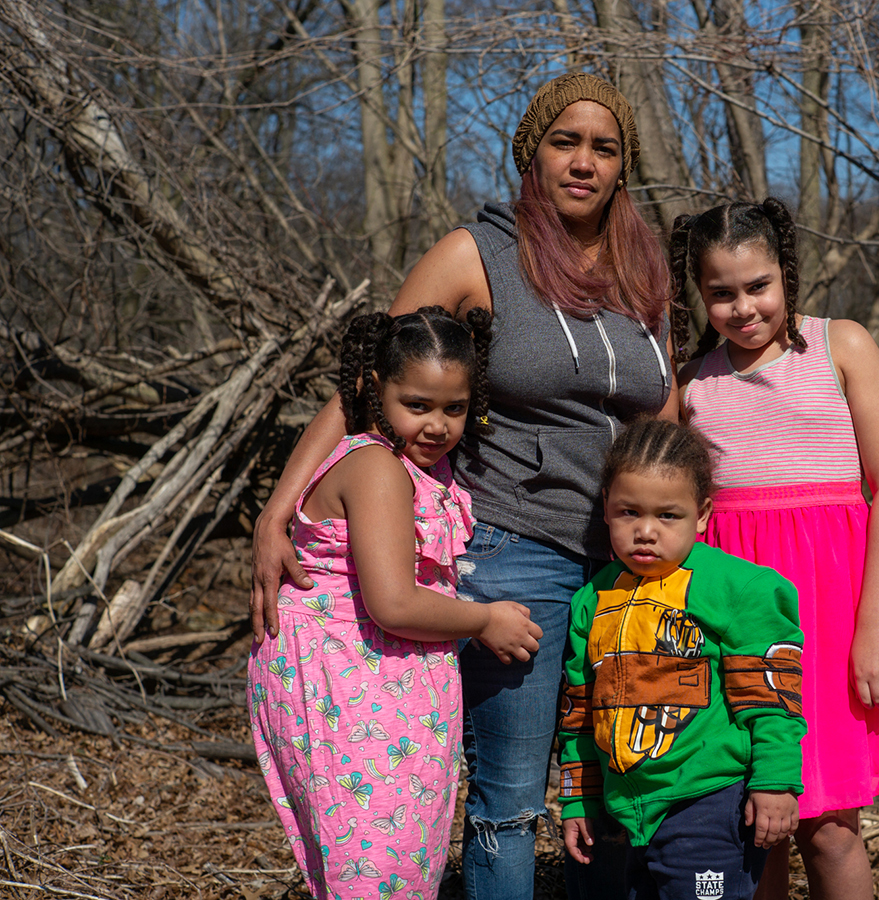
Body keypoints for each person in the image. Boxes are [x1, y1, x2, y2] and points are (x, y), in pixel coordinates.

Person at [250, 72, 676, 900]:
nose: (583, 162)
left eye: (604, 147)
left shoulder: (641, 270)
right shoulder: (476, 254)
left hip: (629, 563)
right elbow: (368, 386)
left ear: (624, 166)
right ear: (532, 152)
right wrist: (279, 509)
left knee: (626, 788)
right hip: (514, 550)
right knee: (512, 802)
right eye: (565, 141)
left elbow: (665, 421)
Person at [671, 199, 879, 899]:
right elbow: (658, 500)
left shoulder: (841, 346)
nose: (742, 307)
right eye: (720, 293)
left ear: (786, 274)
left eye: (758, 286)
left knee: (830, 828)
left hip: (834, 617)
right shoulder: (692, 385)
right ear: (699, 293)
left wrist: (875, 626)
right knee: (753, 823)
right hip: (732, 628)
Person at [248, 306, 543, 899]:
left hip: (383, 688)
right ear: (375, 390)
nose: (437, 425)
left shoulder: (409, 464)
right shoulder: (377, 468)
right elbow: (393, 603)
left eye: (453, 409)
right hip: (349, 682)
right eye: (417, 405)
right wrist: (485, 619)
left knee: (392, 863)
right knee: (378, 872)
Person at [558, 418, 806, 900]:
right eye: (628, 511)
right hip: (625, 808)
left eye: (667, 515)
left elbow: (772, 697)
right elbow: (579, 711)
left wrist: (776, 783)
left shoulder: (737, 588)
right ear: (606, 507)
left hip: (708, 801)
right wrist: (578, 798)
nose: (645, 532)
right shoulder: (593, 597)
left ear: (702, 514)